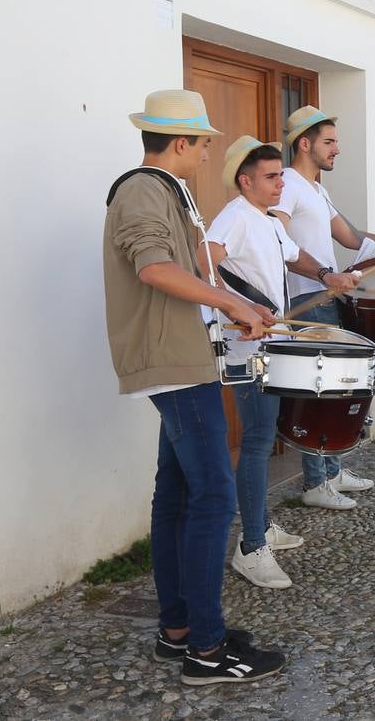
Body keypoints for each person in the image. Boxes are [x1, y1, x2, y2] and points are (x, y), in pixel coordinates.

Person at [102, 89, 285, 684]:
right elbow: (153, 268)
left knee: (178, 494)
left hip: (186, 358)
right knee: (214, 497)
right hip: (174, 365)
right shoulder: (142, 190)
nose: (207, 153)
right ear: (180, 143)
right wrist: (230, 298)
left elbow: (178, 274)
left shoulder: (162, 192)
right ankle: (207, 651)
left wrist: (224, 310)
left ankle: (179, 629)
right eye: (202, 143)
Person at [196, 137, 358, 588]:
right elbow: (203, 264)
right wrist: (234, 309)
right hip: (246, 351)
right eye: (271, 178)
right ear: (244, 181)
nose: (280, 185)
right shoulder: (235, 217)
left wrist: (328, 274)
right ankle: (250, 548)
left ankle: (261, 526)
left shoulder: (265, 220)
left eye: (281, 177)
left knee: (263, 439)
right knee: (256, 442)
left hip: (270, 347)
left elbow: (294, 255)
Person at [271, 106, 375, 509]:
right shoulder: (289, 184)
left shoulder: (317, 189)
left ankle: (331, 470)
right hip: (305, 301)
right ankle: (314, 484)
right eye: (329, 142)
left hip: (328, 299)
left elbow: (351, 236)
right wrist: (325, 274)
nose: (336, 150)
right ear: (304, 144)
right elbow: (274, 235)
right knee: (318, 390)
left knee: (336, 388)